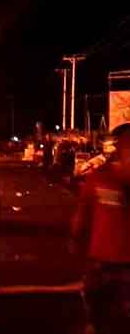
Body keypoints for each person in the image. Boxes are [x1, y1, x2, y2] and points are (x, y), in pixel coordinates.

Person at [71, 123, 130, 334]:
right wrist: (78, 244)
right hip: (101, 263)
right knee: (98, 318)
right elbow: (81, 218)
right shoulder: (99, 178)